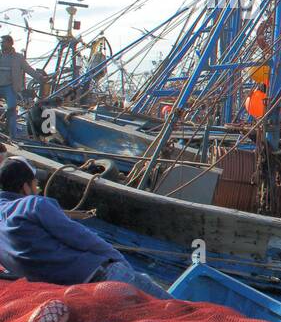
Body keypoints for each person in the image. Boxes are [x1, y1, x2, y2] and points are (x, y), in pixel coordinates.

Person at [0, 158, 171, 297]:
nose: (38, 189)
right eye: (35, 184)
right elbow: (80, 237)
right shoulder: (33, 205)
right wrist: (117, 257)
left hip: (71, 293)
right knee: (174, 306)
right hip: (100, 276)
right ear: (25, 187)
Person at [0, 34, 46, 138]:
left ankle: (12, 136)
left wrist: (40, 77)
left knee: (11, 108)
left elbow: (28, 69)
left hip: (10, 87)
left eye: (3, 42)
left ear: (10, 43)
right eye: (0, 42)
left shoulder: (18, 57)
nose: (1, 44)